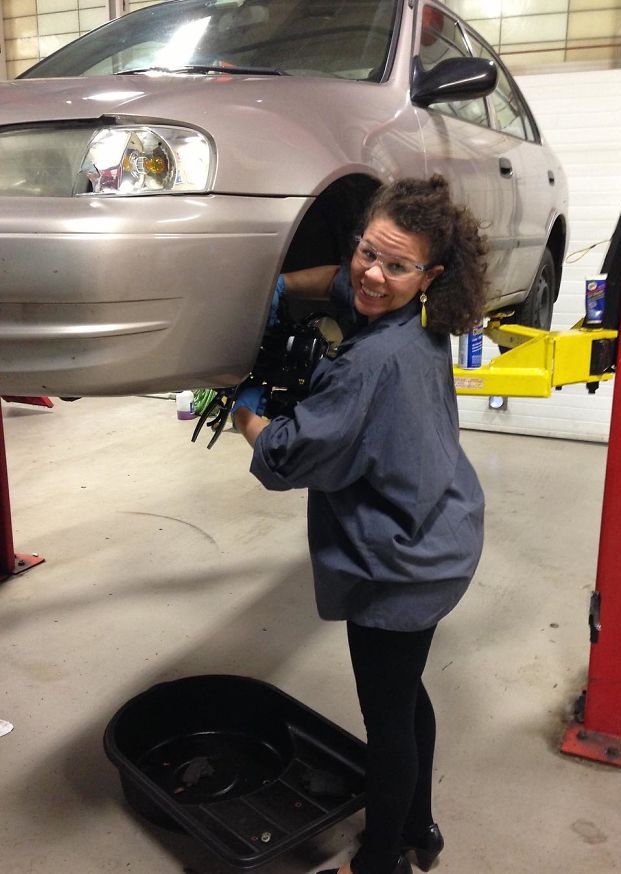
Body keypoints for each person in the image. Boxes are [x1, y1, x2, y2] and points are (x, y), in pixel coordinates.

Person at [232, 174, 487, 874]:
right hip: (442, 534)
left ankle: (381, 860)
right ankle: (421, 831)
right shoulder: (417, 319)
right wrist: (281, 286)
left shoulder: (367, 365)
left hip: (398, 566)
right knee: (407, 696)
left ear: (428, 273)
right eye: (366, 253)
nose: (372, 274)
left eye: (395, 265)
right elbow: (342, 288)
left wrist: (247, 409)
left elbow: (287, 456)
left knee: (387, 722)